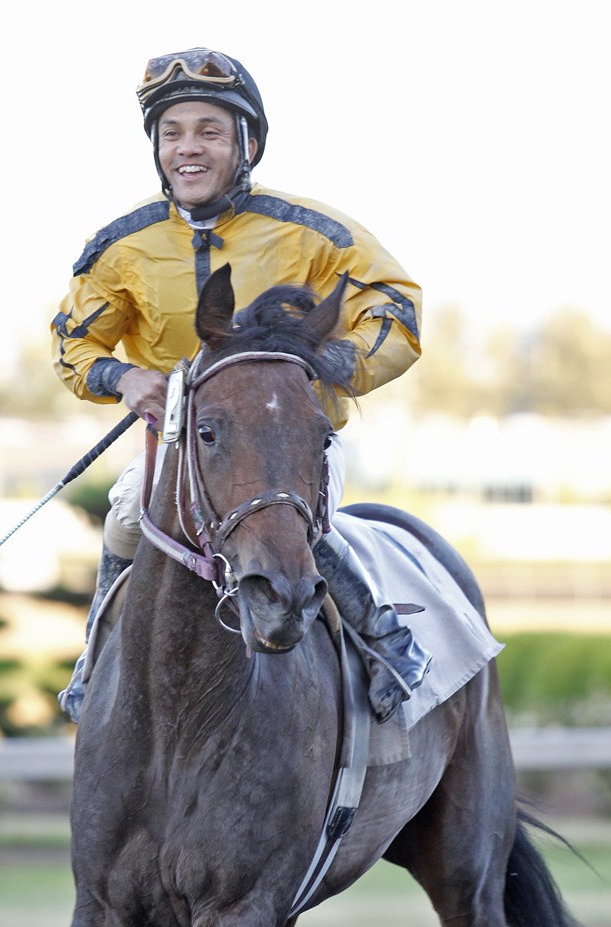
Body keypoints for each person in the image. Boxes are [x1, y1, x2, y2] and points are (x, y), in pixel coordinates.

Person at [51, 48, 430, 724]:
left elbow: (396, 309)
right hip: (183, 447)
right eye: (172, 133)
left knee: (283, 514)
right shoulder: (121, 246)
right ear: (157, 148)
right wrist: (122, 375)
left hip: (290, 439)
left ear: (246, 144)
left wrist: (325, 368)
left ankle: (388, 640)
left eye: (209, 131)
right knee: (130, 513)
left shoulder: (314, 231)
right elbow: (72, 341)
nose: (188, 148)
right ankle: (96, 658)